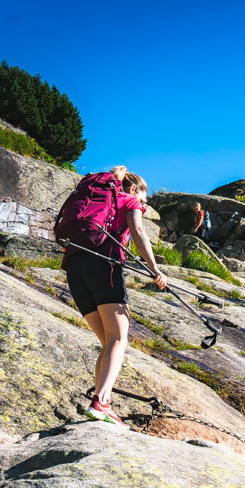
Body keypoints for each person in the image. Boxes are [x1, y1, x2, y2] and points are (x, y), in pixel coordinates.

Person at [63, 167, 167, 428]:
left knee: (109, 342)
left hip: (75, 269)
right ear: (133, 190)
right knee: (119, 339)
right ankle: (101, 403)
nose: (142, 205)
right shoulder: (127, 199)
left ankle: (100, 404)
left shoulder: (94, 198)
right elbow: (140, 233)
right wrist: (155, 270)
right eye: (143, 200)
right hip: (104, 267)